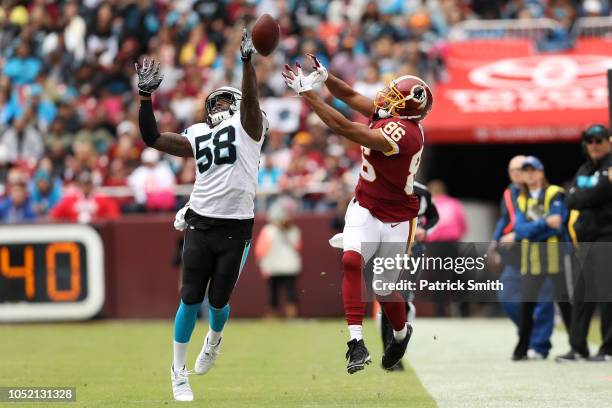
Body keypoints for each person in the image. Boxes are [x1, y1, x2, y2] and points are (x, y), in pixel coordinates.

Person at [135, 30, 267, 401]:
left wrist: (246, 64)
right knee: (191, 298)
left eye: (230, 101)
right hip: (201, 222)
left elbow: (252, 104)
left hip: (236, 227)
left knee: (220, 302)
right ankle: (178, 372)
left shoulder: (249, 129)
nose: (223, 106)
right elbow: (153, 138)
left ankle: (214, 340)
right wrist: (145, 97)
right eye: (218, 101)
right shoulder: (197, 134)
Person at [283, 54, 432, 373]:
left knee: (383, 287)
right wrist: (326, 78)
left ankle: (401, 334)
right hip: (365, 204)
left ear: (406, 108)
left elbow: (345, 128)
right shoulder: (394, 117)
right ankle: (356, 343)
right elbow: (350, 96)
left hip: (397, 217)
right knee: (351, 260)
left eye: (394, 97)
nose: (386, 98)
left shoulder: (406, 134)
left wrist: (307, 94)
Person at [499, 156, 572, 360]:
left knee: (564, 303)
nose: (529, 174)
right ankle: (524, 347)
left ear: (541, 172)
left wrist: (528, 231)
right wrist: (543, 225)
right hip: (531, 259)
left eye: (533, 170)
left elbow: (558, 223)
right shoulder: (520, 198)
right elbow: (520, 227)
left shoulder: (555, 193)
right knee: (525, 304)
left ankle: (576, 346)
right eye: (525, 171)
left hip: (555, 257)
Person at [556, 124, 612, 362]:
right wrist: (593, 192)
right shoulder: (584, 169)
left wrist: (583, 196)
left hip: (608, 237)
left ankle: (608, 349)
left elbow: (587, 195)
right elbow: (570, 199)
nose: (594, 145)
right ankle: (578, 347)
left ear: (609, 141)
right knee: (581, 294)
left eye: (599, 140)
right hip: (586, 239)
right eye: (589, 141)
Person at [492, 156, 555, 359]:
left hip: (539, 251)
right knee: (506, 295)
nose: (516, 173)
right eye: (512, 170)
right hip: (514, 254)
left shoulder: (539, 193)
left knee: (544, 300)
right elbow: (504, 219)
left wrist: (517, 234)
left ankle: (540, 346)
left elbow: (539, 222)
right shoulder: (509, 193)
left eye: (520, 169)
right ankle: (530, 332)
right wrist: (494, 241)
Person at [378, 181, 439, 371]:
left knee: (403, 298)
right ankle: (390, 352)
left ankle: (397, 349)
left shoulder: (421, 192)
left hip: (414, 251)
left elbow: (434, 217)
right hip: (386, 251)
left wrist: (425, 229)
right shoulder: (381, 188)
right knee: (387, 300)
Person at [255, 197, 302, 318]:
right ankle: (291, 315)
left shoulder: (268, 230)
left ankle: (273, 315)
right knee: (290, 291)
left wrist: (262, 265)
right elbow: (298, 247)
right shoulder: (294, 230)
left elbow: (260, 250)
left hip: (273, 266)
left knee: (273, 292)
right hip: (290, 265)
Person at [50, 170, 119, 223]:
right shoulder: (70, 199)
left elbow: (114, 215)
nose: (85, 187)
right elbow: (55, 215)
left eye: (88, 184)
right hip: (75, 233)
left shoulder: (101, 198)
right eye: (83, 184)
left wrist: (101, 220)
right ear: (79, 185)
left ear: (92, 184)